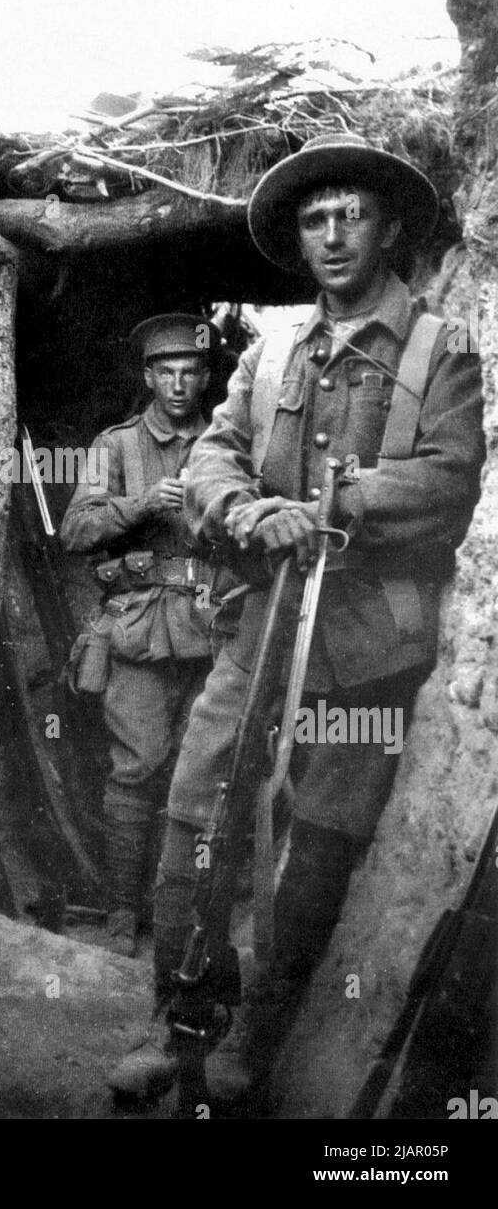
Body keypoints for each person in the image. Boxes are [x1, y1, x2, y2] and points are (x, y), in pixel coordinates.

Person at [108, 131, 486, 1104]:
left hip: (367, 644)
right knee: (199, 805)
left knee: (315, 839)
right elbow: (211, 456)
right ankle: (183, 1024)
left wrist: (332, 501)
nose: (331, 234)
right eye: (314, 218)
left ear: (389, 223)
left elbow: (450, 479)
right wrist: (243, 508)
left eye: (350, 212)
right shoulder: (271, 348)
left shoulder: (442, 350)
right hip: (261, 623)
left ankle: (259, 1044)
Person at [60, 314, 234, 956]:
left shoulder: (227, 440)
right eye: (166, 372)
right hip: (138, 631)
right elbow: (75, 531)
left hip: (215, 627)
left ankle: (184, 921)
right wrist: (140, 507)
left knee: (205, 774)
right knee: (135, 771)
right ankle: (119, 917)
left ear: (206, 376)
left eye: (191, 371)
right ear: (148, 377)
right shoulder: (116, 446)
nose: (180, 384)